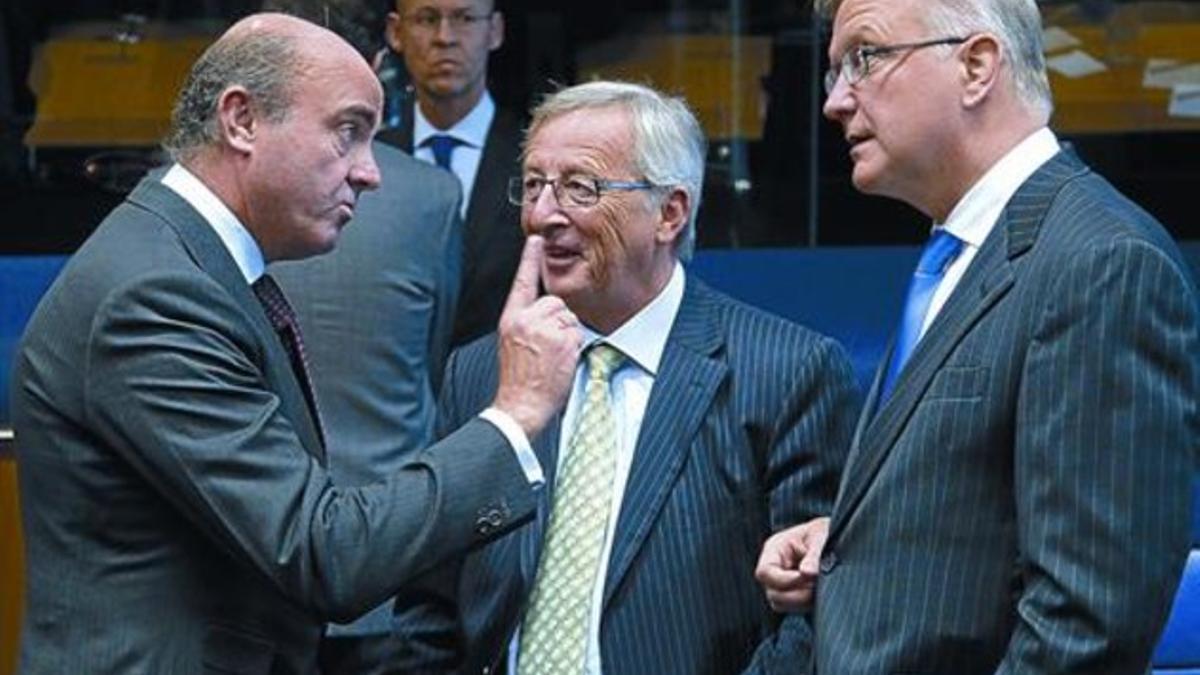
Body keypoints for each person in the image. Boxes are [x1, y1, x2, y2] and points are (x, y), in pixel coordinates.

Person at [11, 13, 581, 674]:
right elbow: (322, 552)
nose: (370, 173)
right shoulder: (154, 295)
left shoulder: (182, 262)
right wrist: (515, 414)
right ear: (241, 120)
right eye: (347, 132)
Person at [756, 0, 1200, 673]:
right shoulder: (958, 255)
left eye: (865, 58)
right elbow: (980, 519)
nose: (836, 102)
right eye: (834, 71)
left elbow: (1085, 626)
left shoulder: (1102, 263)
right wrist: (853, 545)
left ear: (976, 65)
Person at [392, 80, 859, 675]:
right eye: (533, 185)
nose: (541, 216)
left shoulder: (787, 373)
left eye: (580, 188)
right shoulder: (484, 371)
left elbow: (814, 617)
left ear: (670, 213)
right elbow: (430, 604)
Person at [261, 2, 466, 672]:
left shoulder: (230, 202)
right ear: (380, 65)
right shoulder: (430, 198)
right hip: (391, 567)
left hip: (260, 556)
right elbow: (437, 367)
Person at [378, 0, 525, 348]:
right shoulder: (368, 160)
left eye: (465, 18)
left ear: (495, 31)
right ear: (396, 32)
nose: (445, 37)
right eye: (427, 19)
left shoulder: (534, 158)